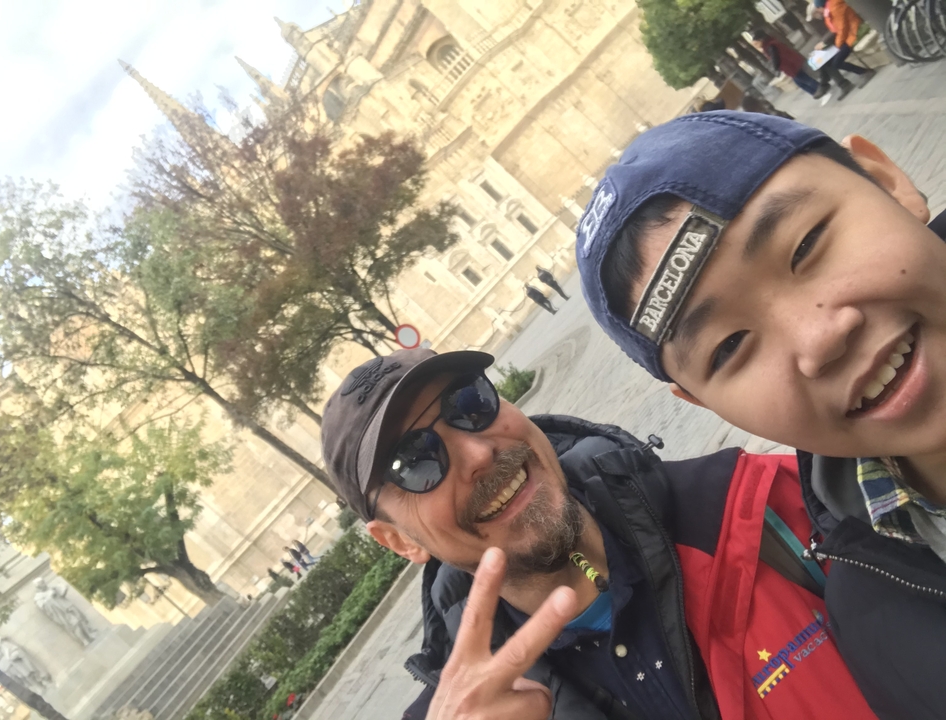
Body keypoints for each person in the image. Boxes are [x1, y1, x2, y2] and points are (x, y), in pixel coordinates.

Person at [578, 109, 946, 720]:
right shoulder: (872, 618)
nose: (819, 339)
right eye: (729, 347)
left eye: (806, 245)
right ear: (701, 403)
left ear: (885, 180)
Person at [320, 348, 877, 720]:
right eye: (415, 463)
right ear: (399, 542)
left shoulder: (761, 505)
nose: (479, 451)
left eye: (469, 404)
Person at [811, 0, 876, 87]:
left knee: (836, 62)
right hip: (847, 36)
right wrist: (825, 44)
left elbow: (842, 29)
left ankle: (864, 72)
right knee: (830, 59)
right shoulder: (829, 11)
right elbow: (835, 30)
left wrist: (837, 46)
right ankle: (862, 73)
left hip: (854, 33)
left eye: (818, 8)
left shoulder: (835, 8)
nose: (818, 11)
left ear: (821, 6)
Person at [751, 31, 820, 97]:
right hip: (790, 65)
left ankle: (820, 90)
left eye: (756, 44)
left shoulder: (770, 46)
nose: (756, 46)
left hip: (791, 65)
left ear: (761, 40)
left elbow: (775, 58)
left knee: (805, 81)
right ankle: (817, 92)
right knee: (801, 82)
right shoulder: (769, 45)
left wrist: (776, 68)